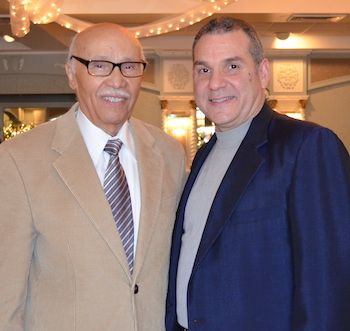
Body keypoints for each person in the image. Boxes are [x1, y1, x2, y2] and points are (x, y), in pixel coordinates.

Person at [166, 17, 350, 331]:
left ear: (262, 72)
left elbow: (328, 286)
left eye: (232, 66)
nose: (215, 83)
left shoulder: (306, 146)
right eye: (204, 69)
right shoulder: (203, 156)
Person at [0, 23, 186, 331]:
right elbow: (6, 299)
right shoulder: (18, 160)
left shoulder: (169, 154)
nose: (117, 80)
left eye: (129, 67)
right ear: (72, 74)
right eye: (99, 66)